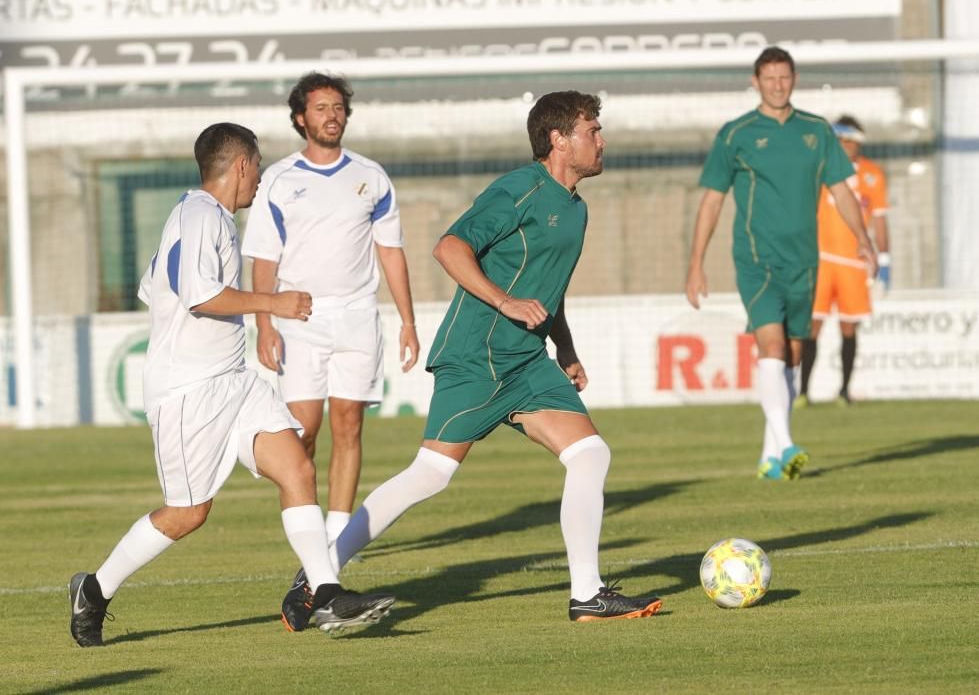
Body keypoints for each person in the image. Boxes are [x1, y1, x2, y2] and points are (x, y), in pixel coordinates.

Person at [283, 90, 664, 627]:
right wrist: (505, 302)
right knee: (430, 475)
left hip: (527, 361)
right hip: (479, 355)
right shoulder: (519, 189)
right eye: (591, 130)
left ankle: (587, 595)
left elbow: (546, 290)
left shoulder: (576, 209)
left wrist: (566, 346)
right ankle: (316, 574)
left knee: (590, 455)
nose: (601, 140)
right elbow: (449, 247)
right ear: (558, 140)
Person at [68, 123, 395, 648]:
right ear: (241, 165)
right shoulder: (201, 215)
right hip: (189, 392)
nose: (260, 179)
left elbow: (154, 289)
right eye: (258, 167)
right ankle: (94, 589)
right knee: (188, 513)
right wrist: (275, 303)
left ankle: (325, 590)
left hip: (234, 381)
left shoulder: (197, 215)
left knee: (297, 467)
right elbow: (199, 297)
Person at [242, 73, 419, 555]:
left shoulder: (372, 176)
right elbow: (263, 258)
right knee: (301, 433)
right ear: (301, 118)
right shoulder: (278, 180)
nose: (331, 115)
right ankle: (305, 522)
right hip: (299, 320)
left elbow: (391, 252)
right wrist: (263, 324)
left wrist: (407, 321)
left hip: (359, 316)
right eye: (321, 108)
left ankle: (336, 537)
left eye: (338, 107)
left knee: (349, 424)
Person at [685, 47, 877, 481]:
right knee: (771, 347)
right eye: (769, 77)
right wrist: (696, 263)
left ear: (794, 79)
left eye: (784, 77)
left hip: (804, 262)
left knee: (791, 354)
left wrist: (863, 239)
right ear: (755, 81)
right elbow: (713, 200)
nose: (777, 85)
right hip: (757, 261)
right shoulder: (737, 134)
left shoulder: (816, 131)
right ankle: (788, 443)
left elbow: (842, 191)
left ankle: (771, 456)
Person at [797, 115, 891, 407]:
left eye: (850, 141)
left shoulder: (872, 175)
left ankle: (844, 391)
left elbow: (879, 220)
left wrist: (884, 261)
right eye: (840, 140)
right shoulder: (818, 169)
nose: (845, 145)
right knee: (813, 326)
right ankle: (802, 392)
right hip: (822, 260)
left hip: (854, 263)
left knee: (849, 328)